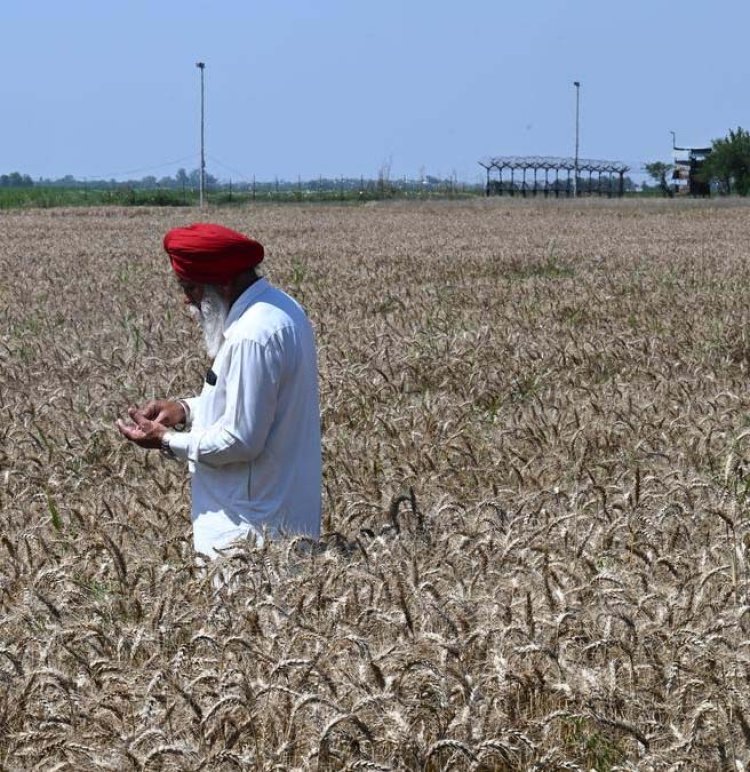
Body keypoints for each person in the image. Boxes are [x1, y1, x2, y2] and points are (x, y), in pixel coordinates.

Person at [117, 223, 322, 558]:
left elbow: (240, 439)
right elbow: (256, 404)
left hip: (251, 534)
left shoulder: (251, 337)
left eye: (192, 288)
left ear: (224, 283)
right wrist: (184, 409)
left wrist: (165, 440)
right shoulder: (283, 310)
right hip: (282, 516)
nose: (187, 299)